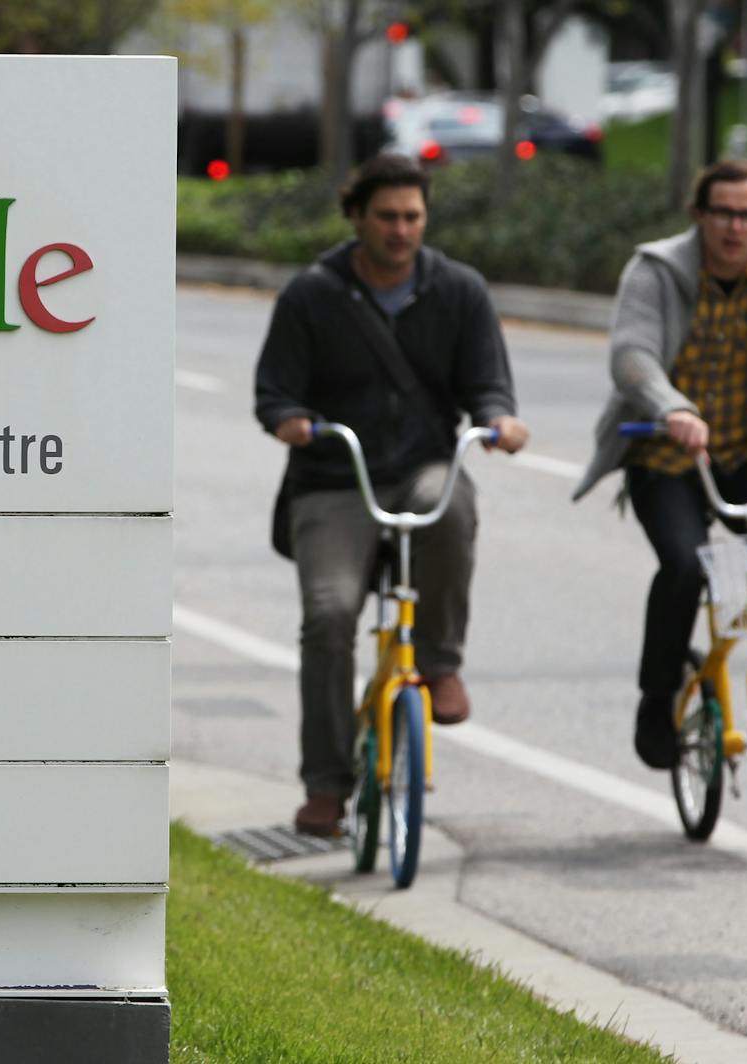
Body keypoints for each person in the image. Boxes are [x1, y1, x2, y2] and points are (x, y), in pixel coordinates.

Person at [253, 153, 529, 836]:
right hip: (331, 481)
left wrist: (498, 419)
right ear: (356, 217)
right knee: (328, 616)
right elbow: (273, 390)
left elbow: (488, 383)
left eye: (412, 217)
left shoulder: (460, 290)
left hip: (420, 468)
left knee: (454, 503)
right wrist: (288, 418)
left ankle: (439, 664)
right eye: (386, 217)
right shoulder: (312, 295)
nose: (400, 230)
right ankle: (325, 783)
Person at [573, 158, 747, 770]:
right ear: (699, 213)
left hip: (746, 451)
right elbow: (632, 353)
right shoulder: (656, 269)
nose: (734, 227)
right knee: (684, 567)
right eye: (722, 212)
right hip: (665, 456)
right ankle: (656, 697)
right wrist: (670, 408)